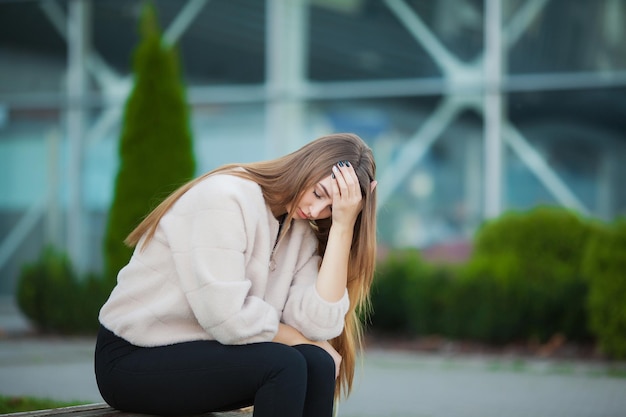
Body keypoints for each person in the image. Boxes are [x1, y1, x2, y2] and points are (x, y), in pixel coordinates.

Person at [94, 133, 377, 417]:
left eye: (330, 209)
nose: (316, 211)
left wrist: (343, 226)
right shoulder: (225, 196)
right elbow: (227, 317)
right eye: (318, 193)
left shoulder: (299, 230)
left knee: (318, 362)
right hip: (132, 356)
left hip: (202, 351)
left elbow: (318, 326)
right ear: (307, 165)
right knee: (285, 364)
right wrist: (300, 340)